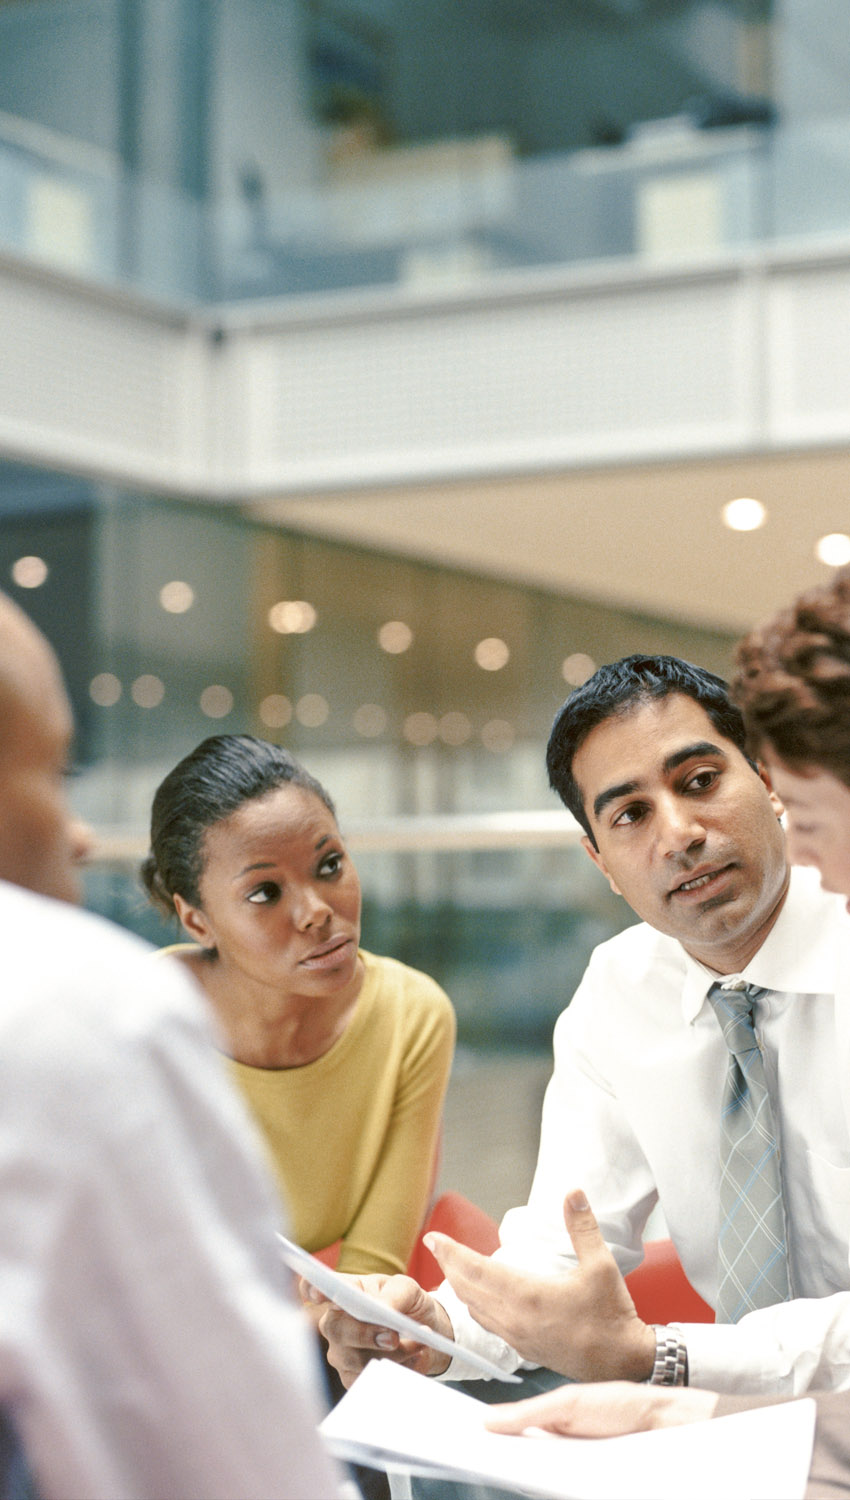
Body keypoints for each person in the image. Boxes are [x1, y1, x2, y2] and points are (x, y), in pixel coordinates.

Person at [318, 654, 850, 1399]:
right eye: (629, 814)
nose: (679, 834)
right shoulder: (619, 993)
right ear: (600, 860)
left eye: (700, 782)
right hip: (752, 1437)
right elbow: (559, 1259)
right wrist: (430, 1331)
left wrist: (662, 1356)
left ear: (767, 778)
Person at [0, 587, 344, 1497]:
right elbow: (238, 1467)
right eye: (54, 774)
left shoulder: (405, 1008)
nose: (76, 834)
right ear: (195, 914)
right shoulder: (87, 1006)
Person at [141, 733, 456, 1278]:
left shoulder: (413, 1016)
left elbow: (372, 1275)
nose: (316, 911)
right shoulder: (143, 1018)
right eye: (265, 893)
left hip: (324, 1338)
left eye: (329, 865)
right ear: (197, 921)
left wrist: (340, 1323)